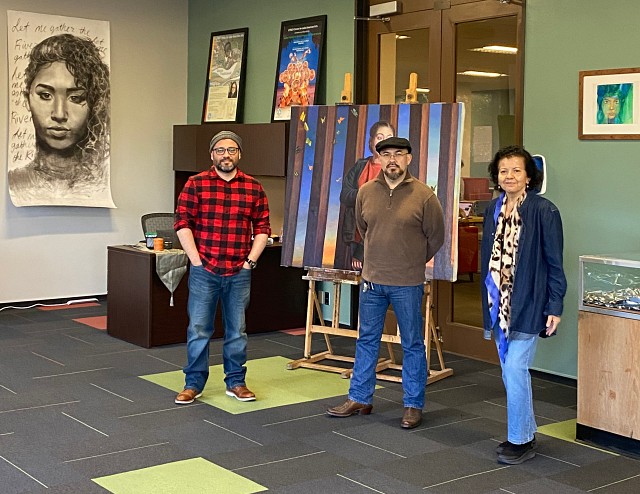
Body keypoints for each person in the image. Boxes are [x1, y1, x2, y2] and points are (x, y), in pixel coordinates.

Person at [328, 137, 445, 429]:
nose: (392, 160)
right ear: (378, 159)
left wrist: (411, 261)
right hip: (372, 281)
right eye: (386, 155)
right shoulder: (365, 192)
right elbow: (363, 228)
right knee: (366, 340)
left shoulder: (424, 196)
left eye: (399, 154)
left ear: (409, 159)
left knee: (413, 344)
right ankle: (360, 398)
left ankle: (412, 405)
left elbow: (436, 237)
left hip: (407, 282)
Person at [481, 145, 567, 464]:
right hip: (497, 304)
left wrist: (554, 306)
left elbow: (554, 263)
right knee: (510, 372)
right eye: (504, 170)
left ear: (529, 176)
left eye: (517, 170)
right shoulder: (492, 209)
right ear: (496, 176)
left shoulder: (545, 211)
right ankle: (526, 433)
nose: (510, 176)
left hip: (530, 303)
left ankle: (519, 440)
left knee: (515, 368)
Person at [174, 130, 271, 405]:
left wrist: (250, 262)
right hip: (205, 269)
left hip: (239, 272)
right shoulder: (195, 184)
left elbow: (263, 227)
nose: (225, 155)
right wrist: (195, 260)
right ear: (212, 154)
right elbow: (182, 224)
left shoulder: (253, 187)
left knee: (237, 330)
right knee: (199, 329)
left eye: (231, 150)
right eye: (220, 150)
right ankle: (193, 383)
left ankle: (236, 382)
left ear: (239, 154)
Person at [8, 34, 111, 207]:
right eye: (45, 95)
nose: (59, 114)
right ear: (27, 99)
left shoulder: (100, 184)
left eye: (76, 98)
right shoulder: (16, 182)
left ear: (94, 104)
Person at [339, 121, 395, 271]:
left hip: (380, 241)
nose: (384, 141)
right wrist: (367, 195)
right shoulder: (360, 166)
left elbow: (382, 214)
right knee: (358, 288)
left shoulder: (395, 171)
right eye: (380, 137)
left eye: (389, 137)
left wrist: (361, 252)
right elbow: (344, 195)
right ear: (371, 142)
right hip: (354, 235)